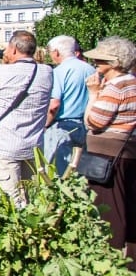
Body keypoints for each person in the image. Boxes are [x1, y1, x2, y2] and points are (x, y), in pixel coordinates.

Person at [0, 31, 53, 207]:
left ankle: (18, 232)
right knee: (32, 195)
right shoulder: (46, 72)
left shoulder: (0, 71)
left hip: (6, 145)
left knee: (11, 198)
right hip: (34, 145)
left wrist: (3, 63)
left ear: (13, 49)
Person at [82, 36, 136, 264]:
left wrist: (93, 94)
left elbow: (94, 121)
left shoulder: (116, 86)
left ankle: (109, 261)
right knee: (128, 206)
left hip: (107, 155)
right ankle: (130, 261)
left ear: (113, 62)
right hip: (126, 152)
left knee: (108, 210)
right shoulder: (131, 82)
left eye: (100, 60)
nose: (96, 64)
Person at [43, 35, 95, 176]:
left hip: (62, 126)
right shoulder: (91, 69)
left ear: (56, 52)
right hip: (85, 124)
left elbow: (54, 104)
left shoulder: (59, 71)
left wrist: (45, 124)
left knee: (58, 172)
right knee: (80, 171)